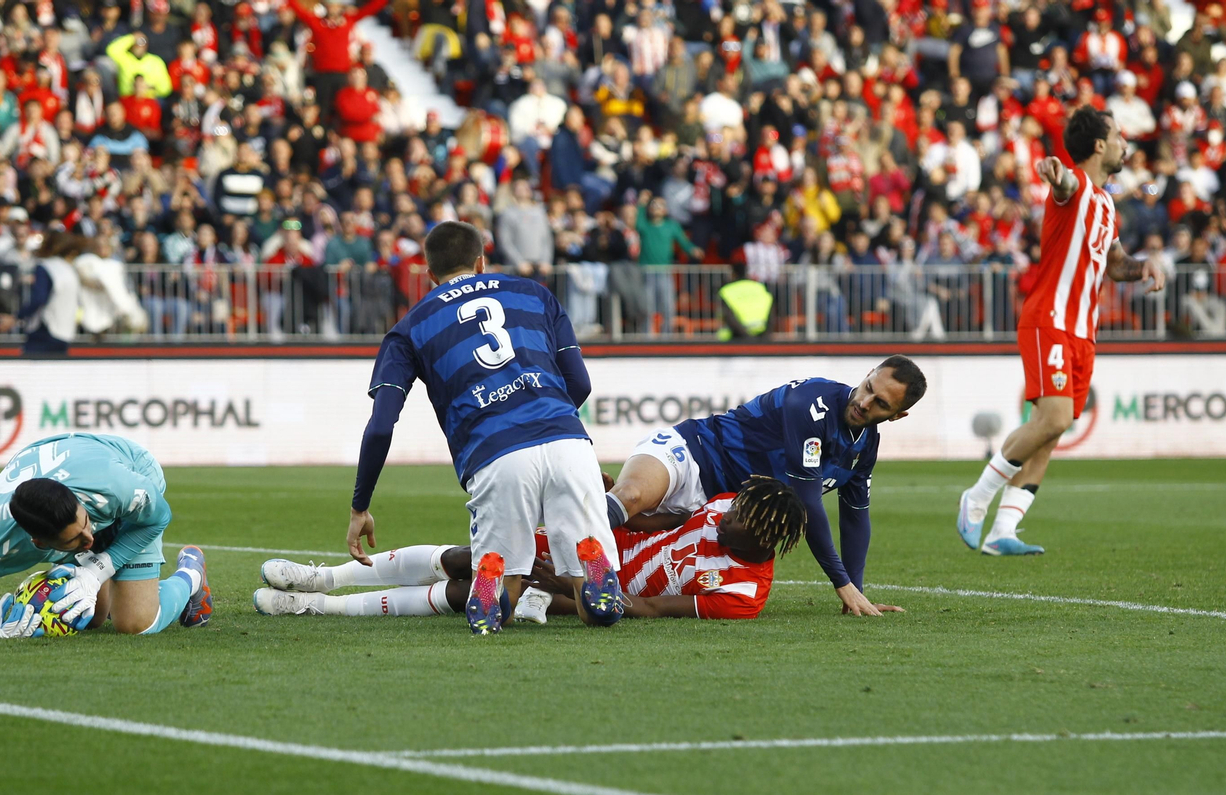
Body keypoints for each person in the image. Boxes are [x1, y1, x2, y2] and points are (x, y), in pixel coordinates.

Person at [347, 220, 622, 635]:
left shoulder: (409, 328)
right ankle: (593, 573)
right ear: (480, 261)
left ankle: (493, 584)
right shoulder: (534, 293)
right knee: (597, 612)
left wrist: (360, 506)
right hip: (567, 441)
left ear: (430, 273)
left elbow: (381, 426)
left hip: (494, 452)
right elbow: (580, 383)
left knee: (501, 609)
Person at [956, 106, 1165, 556]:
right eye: (1119, 136)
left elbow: (1116, 265)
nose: (1125, 144)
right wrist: (1054, 173)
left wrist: (1144, 265)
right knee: (1055, 419)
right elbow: (1065, 183)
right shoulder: (1076, 187)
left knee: (1051, 431)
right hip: (1049, 319)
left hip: (1083, 332)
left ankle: (1002, 531)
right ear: (1099, 145)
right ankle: (976, 498)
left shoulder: (1107, 205)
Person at [255, 478, 871, 621]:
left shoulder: (741, 593)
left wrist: (560, 584)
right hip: (585, 542)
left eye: (737, 520)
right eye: (733, 508)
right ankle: (323, 578)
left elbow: (645, 609)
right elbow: (660, 516)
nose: (726, 515)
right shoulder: (729, 505)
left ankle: (316, 608)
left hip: (589, 589)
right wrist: (598, 490)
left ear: (761, 537)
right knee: (467, 556)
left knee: (477, 593)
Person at [604, 357, 927, 618]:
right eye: (868, 388)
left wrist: (855, 591)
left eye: (880, 403)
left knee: (641, 555)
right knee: (630, 495)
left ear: (897, 415)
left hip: (714, 511)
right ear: (868, 374)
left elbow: (855, 517)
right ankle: (585, 543)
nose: (865, 402)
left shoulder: (865, 447)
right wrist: (841, 582)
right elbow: (808, 503)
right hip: (692, 453)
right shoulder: (812, 404)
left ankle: (580, 572)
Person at [0, 432, 212, 638]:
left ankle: (191, 574)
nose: (89, 539)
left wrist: (97, 570)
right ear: (39, 543)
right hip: (71, 473)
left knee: (134, 623)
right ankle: (108, 572)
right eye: (74, 540)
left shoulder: (116, 487)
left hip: (128, 467)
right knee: (90, 618)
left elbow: (158, 517)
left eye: (86, 523)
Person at [0, 230, 81, 356]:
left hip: (45, 330)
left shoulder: (46, 267)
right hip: (65, 333)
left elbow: (39, 298)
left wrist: (16, 317)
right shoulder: (70, 270)